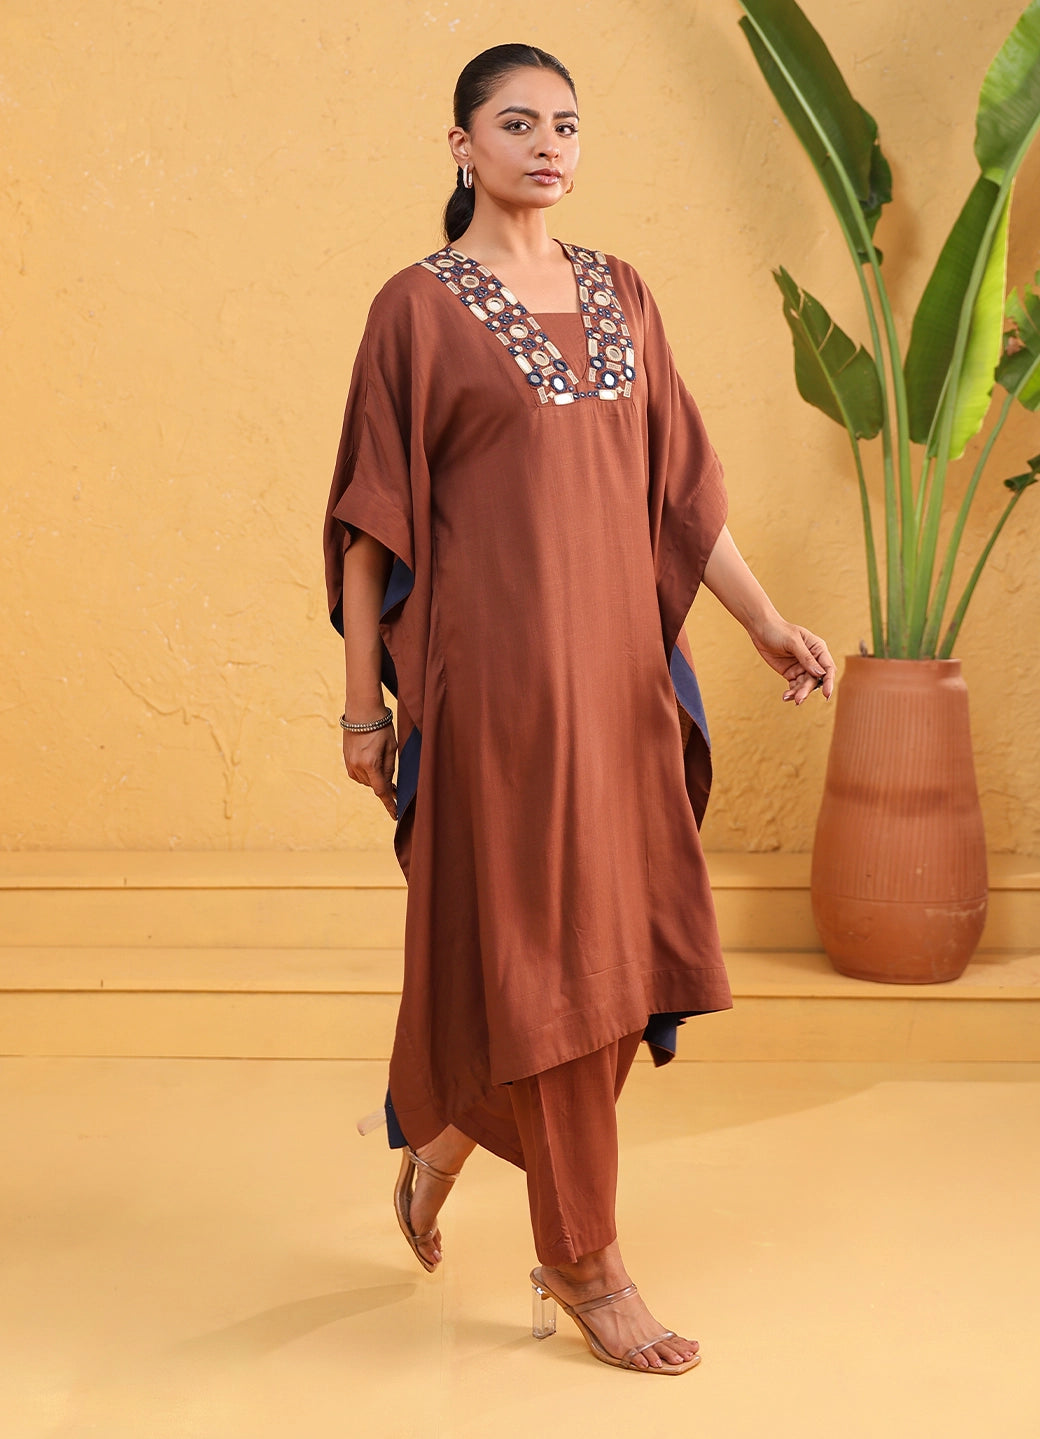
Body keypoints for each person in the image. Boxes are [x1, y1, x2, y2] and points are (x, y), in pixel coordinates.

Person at [323, 42, 835, 1375]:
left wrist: (765, 623)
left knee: (616, 955)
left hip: (621, 680)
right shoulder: (415, 309)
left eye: (565, 123)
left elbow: (681, 496)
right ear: (461, 145)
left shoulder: (623, 292)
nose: (547, 144)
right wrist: (362, 711)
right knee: (552, 960)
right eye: (516, 122)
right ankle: (585, 1258)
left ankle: (443, 1139)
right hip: (495, 689)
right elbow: (370, 524)